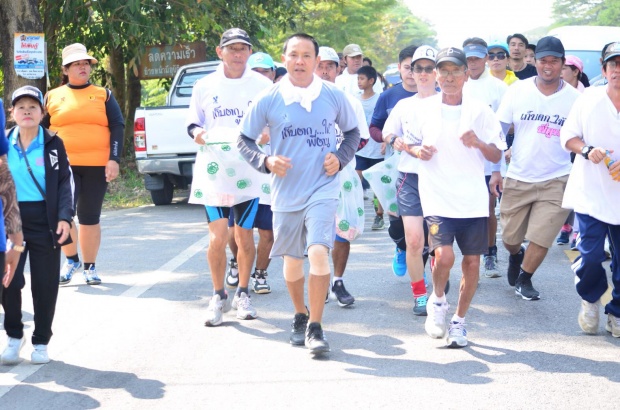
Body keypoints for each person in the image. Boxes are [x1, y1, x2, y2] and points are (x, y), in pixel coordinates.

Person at [238, 33, 360, 355]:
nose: (300, 61)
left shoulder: (332, 95)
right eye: (294, 55)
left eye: (307, 55)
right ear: (284, 58)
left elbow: (352, 133)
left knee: (318, 252)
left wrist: (341, 157)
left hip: (323, 187)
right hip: (285, 193)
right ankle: (300, 314)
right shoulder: (269, 98)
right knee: (292, 261)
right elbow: (244, 140)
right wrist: (265, 161)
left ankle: (316, 326)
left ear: (317, 61)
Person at [413, 47, 505, 347]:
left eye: (456, 71)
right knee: (444, 256)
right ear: (436, 76)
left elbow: (496, 152)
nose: (449, 77)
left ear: (466, 74)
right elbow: (409, 145)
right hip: (437, 195)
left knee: (473, 264)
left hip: (472, 198)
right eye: (444, 71)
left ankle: (459, 322)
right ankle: (438, 301)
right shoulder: (424, 109)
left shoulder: (480, 110)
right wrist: (418, 151)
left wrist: (477, 142)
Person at [186, 28, 273, 326]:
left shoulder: (263, 84)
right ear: (219, 51)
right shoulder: (205, 85)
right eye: (231, 48)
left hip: (248, 171)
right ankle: (217, 294)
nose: (237, 54)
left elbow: (274, 122)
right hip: (214, 171)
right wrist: (198, 134)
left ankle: (243, 293)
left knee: (244, 236)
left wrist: (266, 134)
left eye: (243, 49)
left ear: (249, 52)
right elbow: (193, 123)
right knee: (218, 238)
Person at [490, 36, 581, 300]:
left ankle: (525, 279)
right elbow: (499, 130)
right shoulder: (518, 90)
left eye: (554, 61)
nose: (548, 66)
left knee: (542, 237)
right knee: (510, 238)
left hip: (557, 178)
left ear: (563, 64)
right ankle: (516, 255)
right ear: (535, 60)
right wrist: (497, 169)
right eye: (543, 61)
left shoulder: (575, 99)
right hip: (518, 176)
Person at [1, 86, 73, 365]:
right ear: (12, 113)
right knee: (9, 280)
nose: (27, 111)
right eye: (21, 107)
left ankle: (41, 341)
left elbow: (65, 183)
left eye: (33, 106)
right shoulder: (3, 143)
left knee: (44, 284)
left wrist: (65, 217)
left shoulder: (54, 143)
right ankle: (14, 335)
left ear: (43, 113)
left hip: (45, 221)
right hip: (10, 221)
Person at [43, 43, 124, 286]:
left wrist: (114, 159)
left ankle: (90, 267)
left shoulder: (103, 94)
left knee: (89, 218)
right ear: (65, 69)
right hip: (61, 167)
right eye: (77, 64)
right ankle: (71, 260)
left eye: (86, 63)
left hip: (96, 166)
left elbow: (118, 126)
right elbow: (39, 129)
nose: (83, 67)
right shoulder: (52, 96)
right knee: (62, 216)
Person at [560, 41, 620, 337]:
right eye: (614, 64)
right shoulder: (589, 100)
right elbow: (568, 137)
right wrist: (586, 150)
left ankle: (617, 312)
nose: (618, 70)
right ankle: (590, 298)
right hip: (591, 192)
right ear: (604, 68)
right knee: (591, 256)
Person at [382, 45, 439, 316]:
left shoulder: (451, 104)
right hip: (410, 178)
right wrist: (396, 140)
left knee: (438, 243)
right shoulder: (404, 105)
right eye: (419, 69)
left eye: (430, 68)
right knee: (415, 241)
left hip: (441, 179)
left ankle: (438, 286)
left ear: (438, 72)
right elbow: (387, 132)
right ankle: (419, 294)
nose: (424, 73)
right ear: (412, 73)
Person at [314, 45, 369, 307]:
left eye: (330, 66)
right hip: (311, 176)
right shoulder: (302, 100)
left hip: (343, 174)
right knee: (317, 230)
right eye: (320, 65)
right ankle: (320, 281)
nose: (325, 71)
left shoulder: (350, 102)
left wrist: (339, 158)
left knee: (343, 229)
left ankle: (338, 280)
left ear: (339, 69)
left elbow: (361, 137)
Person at [225, 50, 278, 294]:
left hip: (268, 177)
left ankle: (260, 273)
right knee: (233, 232)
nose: (259, 76)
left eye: (264, 71)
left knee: (267, 231)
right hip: (240, 175)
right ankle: (237, 263)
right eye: (254, 71)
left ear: (272, 74)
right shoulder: (235, 96)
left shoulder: (279, 99)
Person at [367, 45, 420, 277]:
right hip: (394, 166)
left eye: (417, 68)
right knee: (397, 220)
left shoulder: (437, 95)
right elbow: (374, 127)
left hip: (426, 168)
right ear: (399, 68)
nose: (412, 72)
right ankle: (400, 247)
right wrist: (388, 138)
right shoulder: (389, 96)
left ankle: (423, 268)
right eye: (408, 67)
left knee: (426, 223)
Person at [462, 37, 508, 279]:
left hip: (490, 159)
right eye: (468, 58)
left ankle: (490, 252)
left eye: (477, 58)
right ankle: (471, 259)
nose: (473, 63)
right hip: (462, 159)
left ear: (486, 59)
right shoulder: (457, 84)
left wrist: (500, 162)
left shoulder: (499, 88)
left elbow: (506, 127)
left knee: (488, 208)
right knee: (468, 210)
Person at [355, 65, 385, 230]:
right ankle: (355, 213)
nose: (359, 82)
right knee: (355, 181)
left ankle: (379, 215)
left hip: (377, 150)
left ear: (371, 81)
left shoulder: (380, 99)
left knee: (376, 185)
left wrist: (384, 140)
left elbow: (385, 122)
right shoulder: (355, 99)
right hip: (360, 149)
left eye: (362, 78)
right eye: (358, 78)